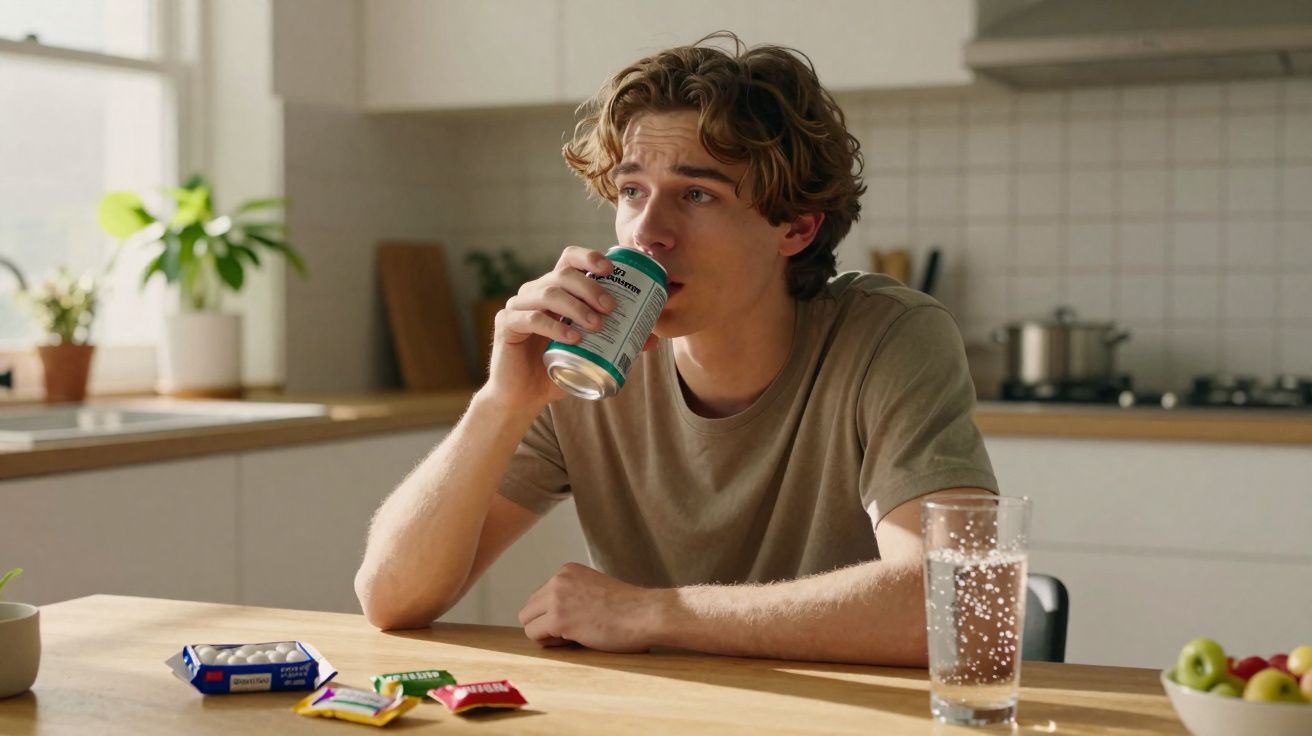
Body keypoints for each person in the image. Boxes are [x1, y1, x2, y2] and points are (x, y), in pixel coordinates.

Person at [354, 32, 997, 666]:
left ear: (797, 227)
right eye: (632, 190)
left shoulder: (889, 337)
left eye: (696, 194)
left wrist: (654, 613)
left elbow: (960, 608)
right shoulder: (588, 357)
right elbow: (390, 599)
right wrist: (501, 403)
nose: (647, 231)